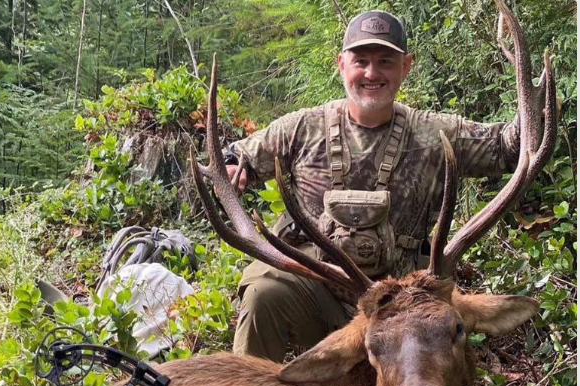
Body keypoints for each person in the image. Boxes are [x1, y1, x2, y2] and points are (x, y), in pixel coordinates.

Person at [223, 10, 521, 362]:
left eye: (385, 61)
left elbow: (505, 147)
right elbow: (238, 156)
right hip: (313, 289)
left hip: (400, 302)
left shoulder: (435, 134)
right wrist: (230, 167)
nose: (371, 73)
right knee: (262, 294)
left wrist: (536, 110)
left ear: (406, 66)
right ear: (341, 64)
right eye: (360, 60)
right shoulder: (302, 128)